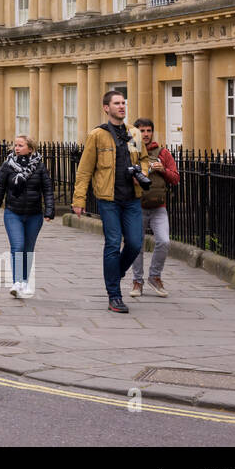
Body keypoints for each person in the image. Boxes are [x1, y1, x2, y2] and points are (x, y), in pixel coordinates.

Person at [72, 90, 150, 314]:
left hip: (132, 198)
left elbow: (142, 160)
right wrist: (79, 199)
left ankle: (115, 273)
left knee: (135, 243)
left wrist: (141, 172)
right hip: (108, 200)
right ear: (106, 108)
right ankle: (114, 295)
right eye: (117, 103)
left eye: (123, 103)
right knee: (113, 244)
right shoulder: (97, 135)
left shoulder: (133, 134)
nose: (122, 107)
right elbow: (85, 170)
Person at [0, 134, 54, 298]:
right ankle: (16, 282)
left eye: (20, 145)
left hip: (34, 215)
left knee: (28, 249)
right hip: (13, 213)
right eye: (15, 145)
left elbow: (47, 189)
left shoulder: (39, 166)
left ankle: (25, 282)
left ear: (30, 149)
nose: (16, 148)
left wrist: (49, 210)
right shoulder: (7, 165)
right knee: (18, 246)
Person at [130, 118, 179, 298]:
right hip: (136, 206)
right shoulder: (130, 153)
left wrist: (162, 170)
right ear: (135, 133)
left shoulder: (163, 153)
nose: (145, 134)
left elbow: (175, 178)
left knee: (164, 241)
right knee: (137, 245)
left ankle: (155, 276)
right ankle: (137, 281)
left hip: (159, 206)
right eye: (142, 131)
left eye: (148, 130)